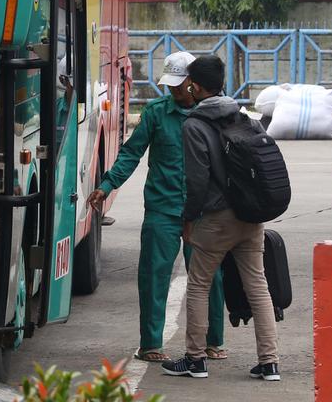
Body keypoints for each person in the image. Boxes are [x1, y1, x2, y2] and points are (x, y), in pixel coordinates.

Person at [87, 51, 227, 364]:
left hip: (203, 212)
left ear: (194, 82)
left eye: (180, 84)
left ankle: (213, 341)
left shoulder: (213, 113)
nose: (174, 90)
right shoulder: (156, 113)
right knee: (153, 276)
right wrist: (107, 184)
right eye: (170, 85)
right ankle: (151, 343)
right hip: (162, 210)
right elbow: (130, 154)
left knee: (211, 278)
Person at [162, 55, 280, 382]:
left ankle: (195, 359)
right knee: (258, 285)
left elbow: (197, 181)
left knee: (199, 284)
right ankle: (269, 363)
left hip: (216, 219)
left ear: (194, 86)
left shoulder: (194, 125)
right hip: (250, 216)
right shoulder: (244, 117)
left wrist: (189, 219)